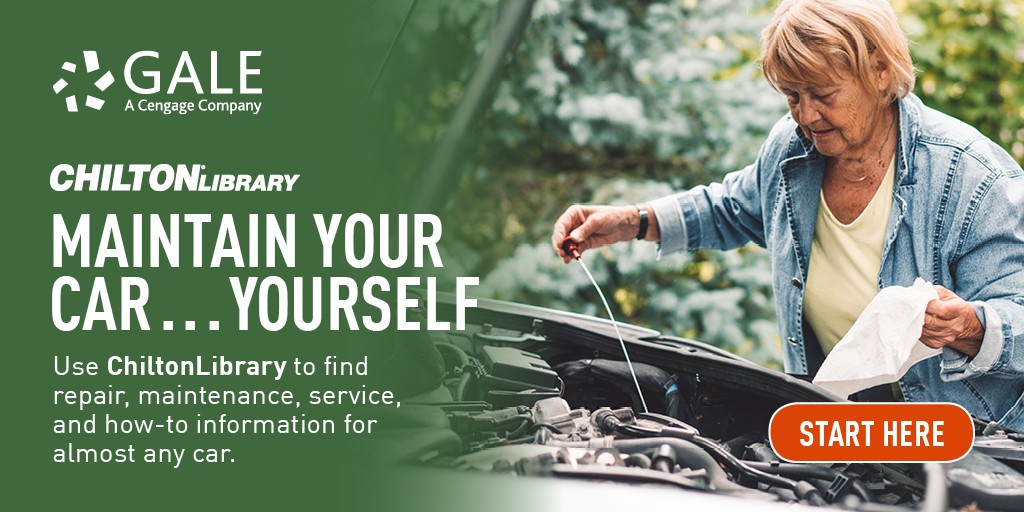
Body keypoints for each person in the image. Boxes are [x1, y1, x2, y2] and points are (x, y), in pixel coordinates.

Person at [551, 0, 1024, 430]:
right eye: (792, 96)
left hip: (967, 445)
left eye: (822, 93)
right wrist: (633, 221)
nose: (806, 115)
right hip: (839, 434)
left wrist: (970, 326)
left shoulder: (972, 177)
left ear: (880, 70)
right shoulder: (792, 150)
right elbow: (732, 207)